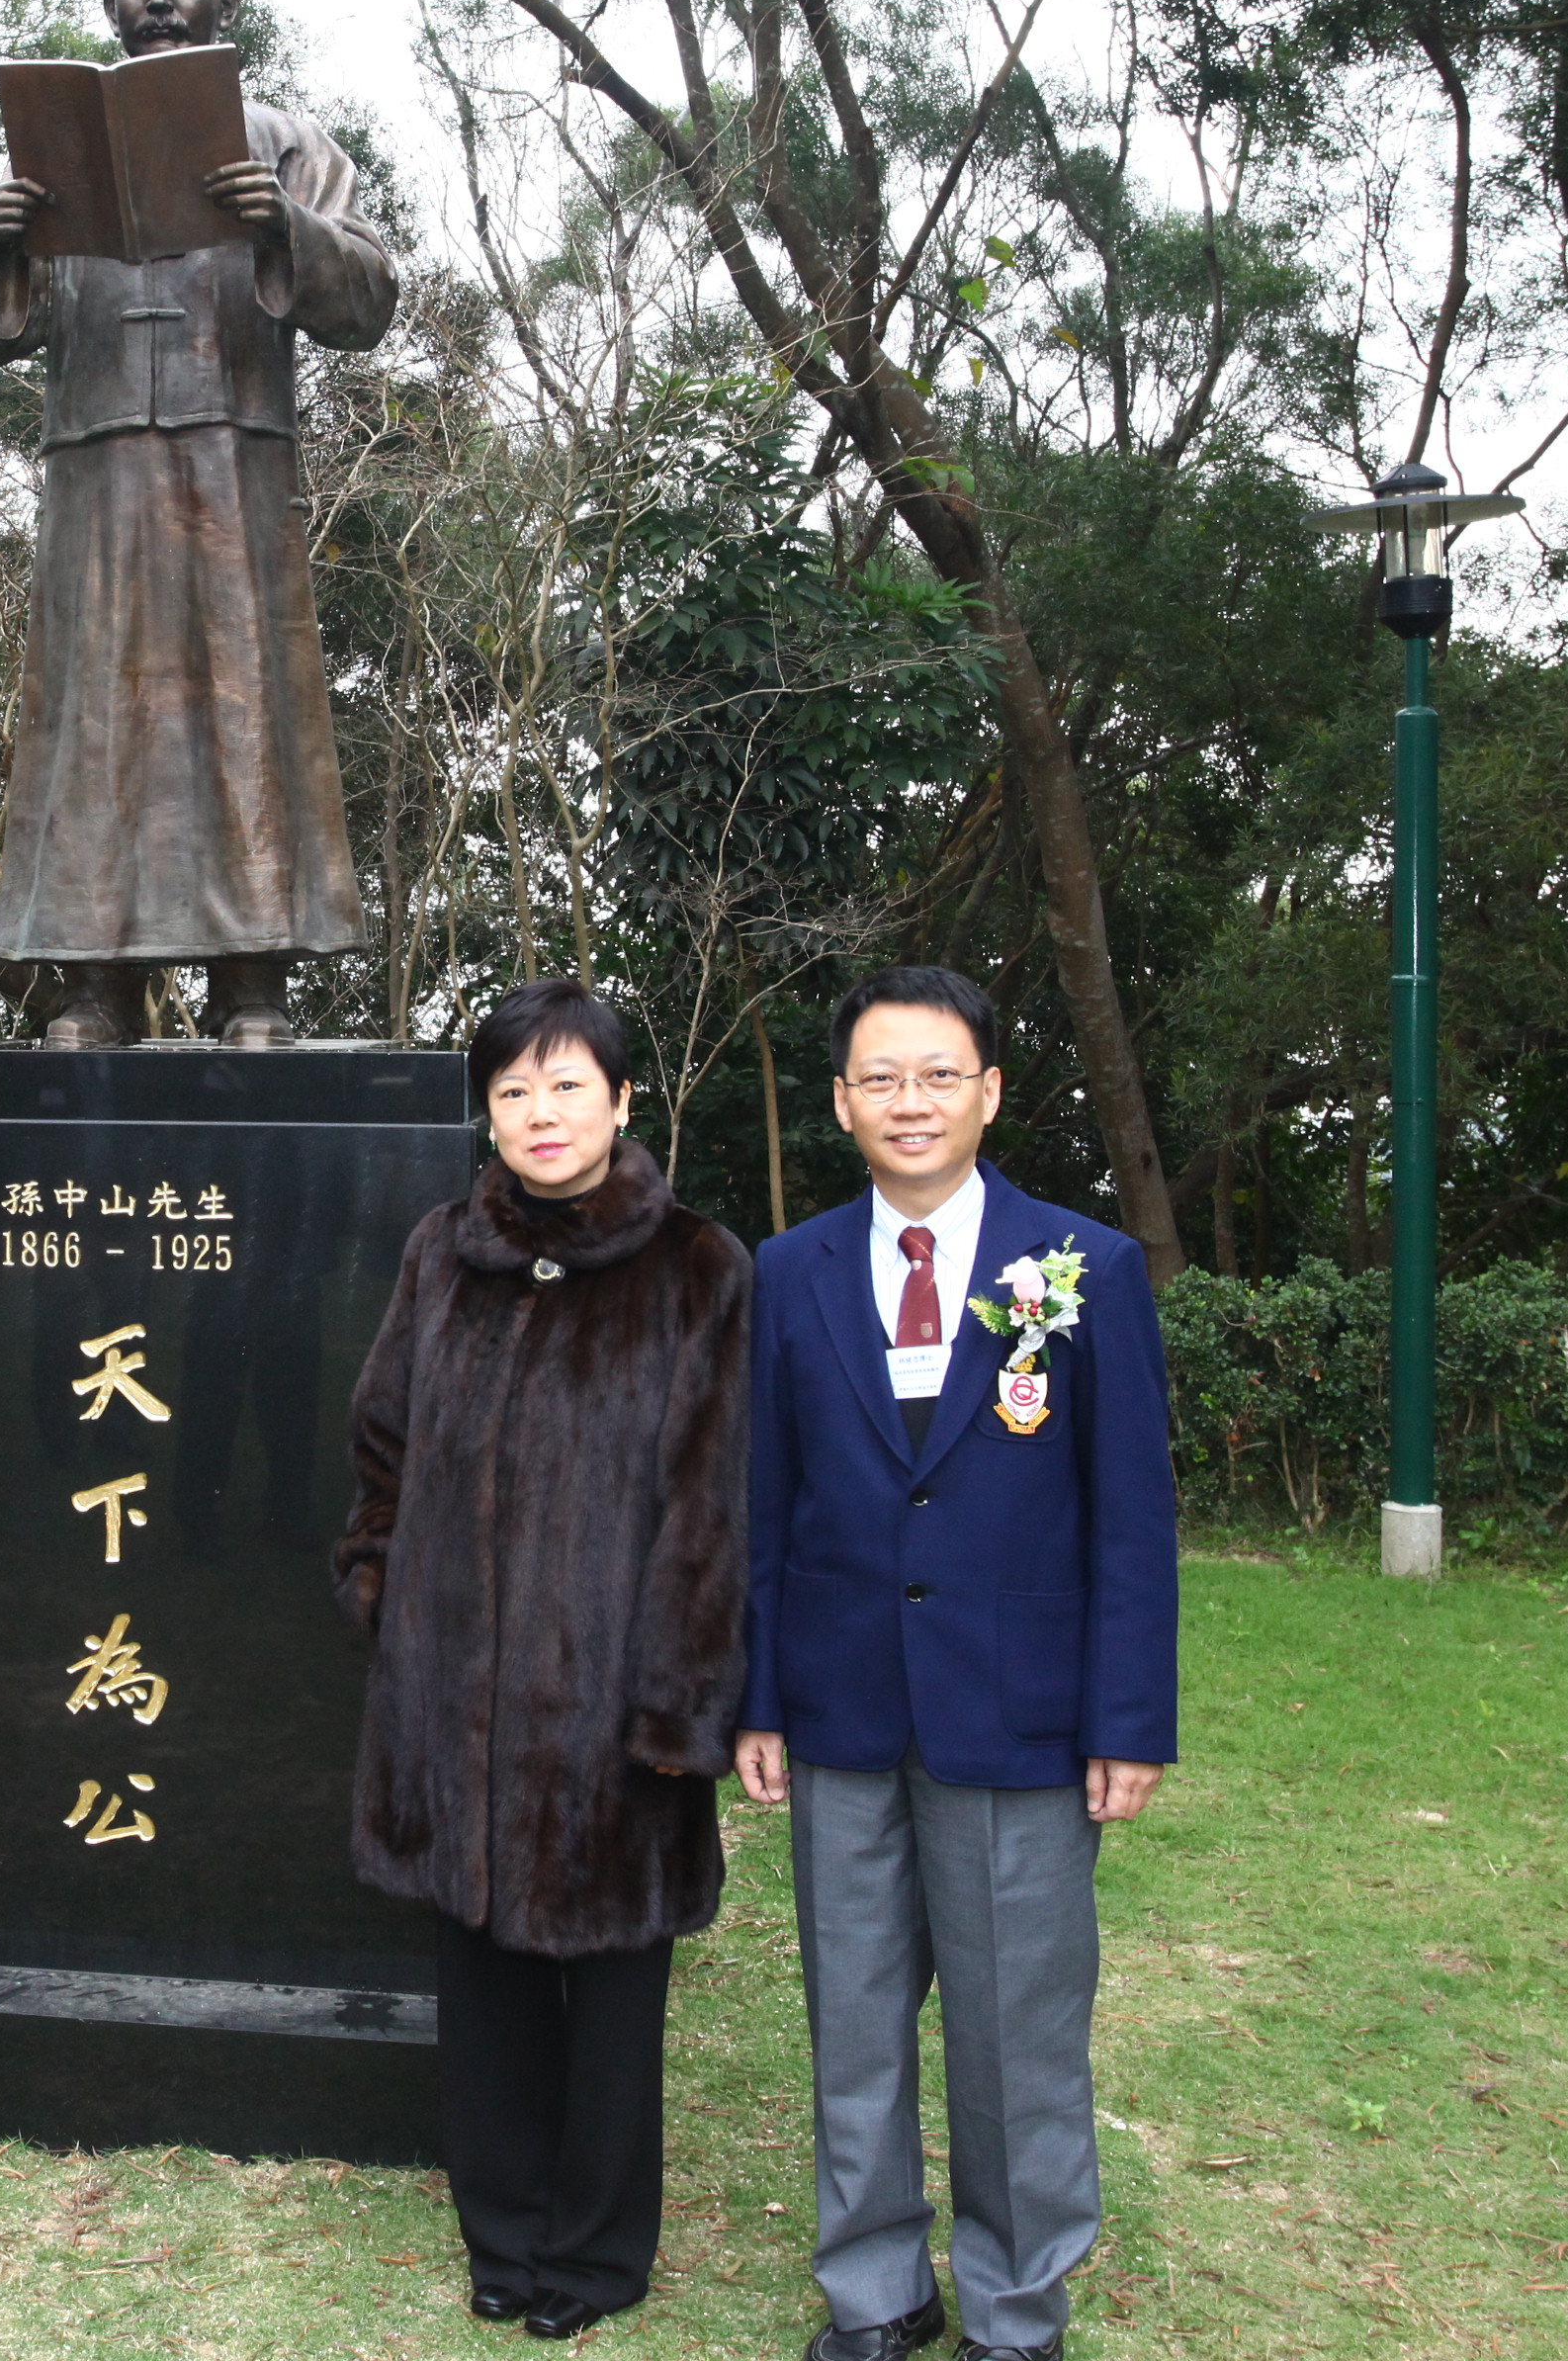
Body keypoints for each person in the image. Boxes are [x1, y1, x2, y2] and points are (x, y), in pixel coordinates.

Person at [735, 966, 1178, 2361]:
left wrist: (1129, 1722)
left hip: (1023, 1713)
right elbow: (763, 1501)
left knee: (1015, 2033)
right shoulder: (788, 1271)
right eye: (882, 1077)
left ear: (989, 1090)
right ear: (841, 1105)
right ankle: (876, 2289)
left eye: (939, 1074)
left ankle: (1013, 2299)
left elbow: (1131, 1518)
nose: (910, 1101)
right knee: (853, 2016)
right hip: (843, 1705)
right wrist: (757, 1695)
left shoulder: (1082, 1268)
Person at [334, 976, 749, 2342]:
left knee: (615, 2001)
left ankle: (595, 2253)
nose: (541, 1112)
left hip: (615, 1713)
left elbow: (712, 1505)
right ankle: (503, 2234)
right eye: (514, 1090)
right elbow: (383, 1435)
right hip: (452, 1702)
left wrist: (676, 1705)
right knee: (486, 1987)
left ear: (625, 1102)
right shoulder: (443, 1251)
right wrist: (387, 1589)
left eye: (568, 1084)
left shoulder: (697, 1267)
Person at [0, 0, 398, 1049]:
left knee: (246, 707)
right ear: (109, 6)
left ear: (224, 2)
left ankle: (252, 980)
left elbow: (372, 299)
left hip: (230, 458)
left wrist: (282, 220)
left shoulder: (289, 141)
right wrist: (5, 241)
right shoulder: (51, 147)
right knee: (95, 717)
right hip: (96, 469)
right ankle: (91, 986)